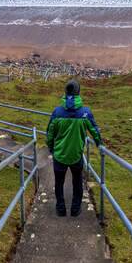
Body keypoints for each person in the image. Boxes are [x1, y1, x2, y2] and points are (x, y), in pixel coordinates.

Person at [45, 79, 102, 217]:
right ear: (78, 93)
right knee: (77, 182)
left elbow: (49, 134)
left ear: (65, 92)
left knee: (59, 183)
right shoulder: (85, 113)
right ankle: (75, 209)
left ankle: (61, 209)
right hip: (76, 155)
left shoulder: (57, 112)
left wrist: (51, 148)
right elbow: (95, 130)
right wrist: (99, 144)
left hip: (59, 155)